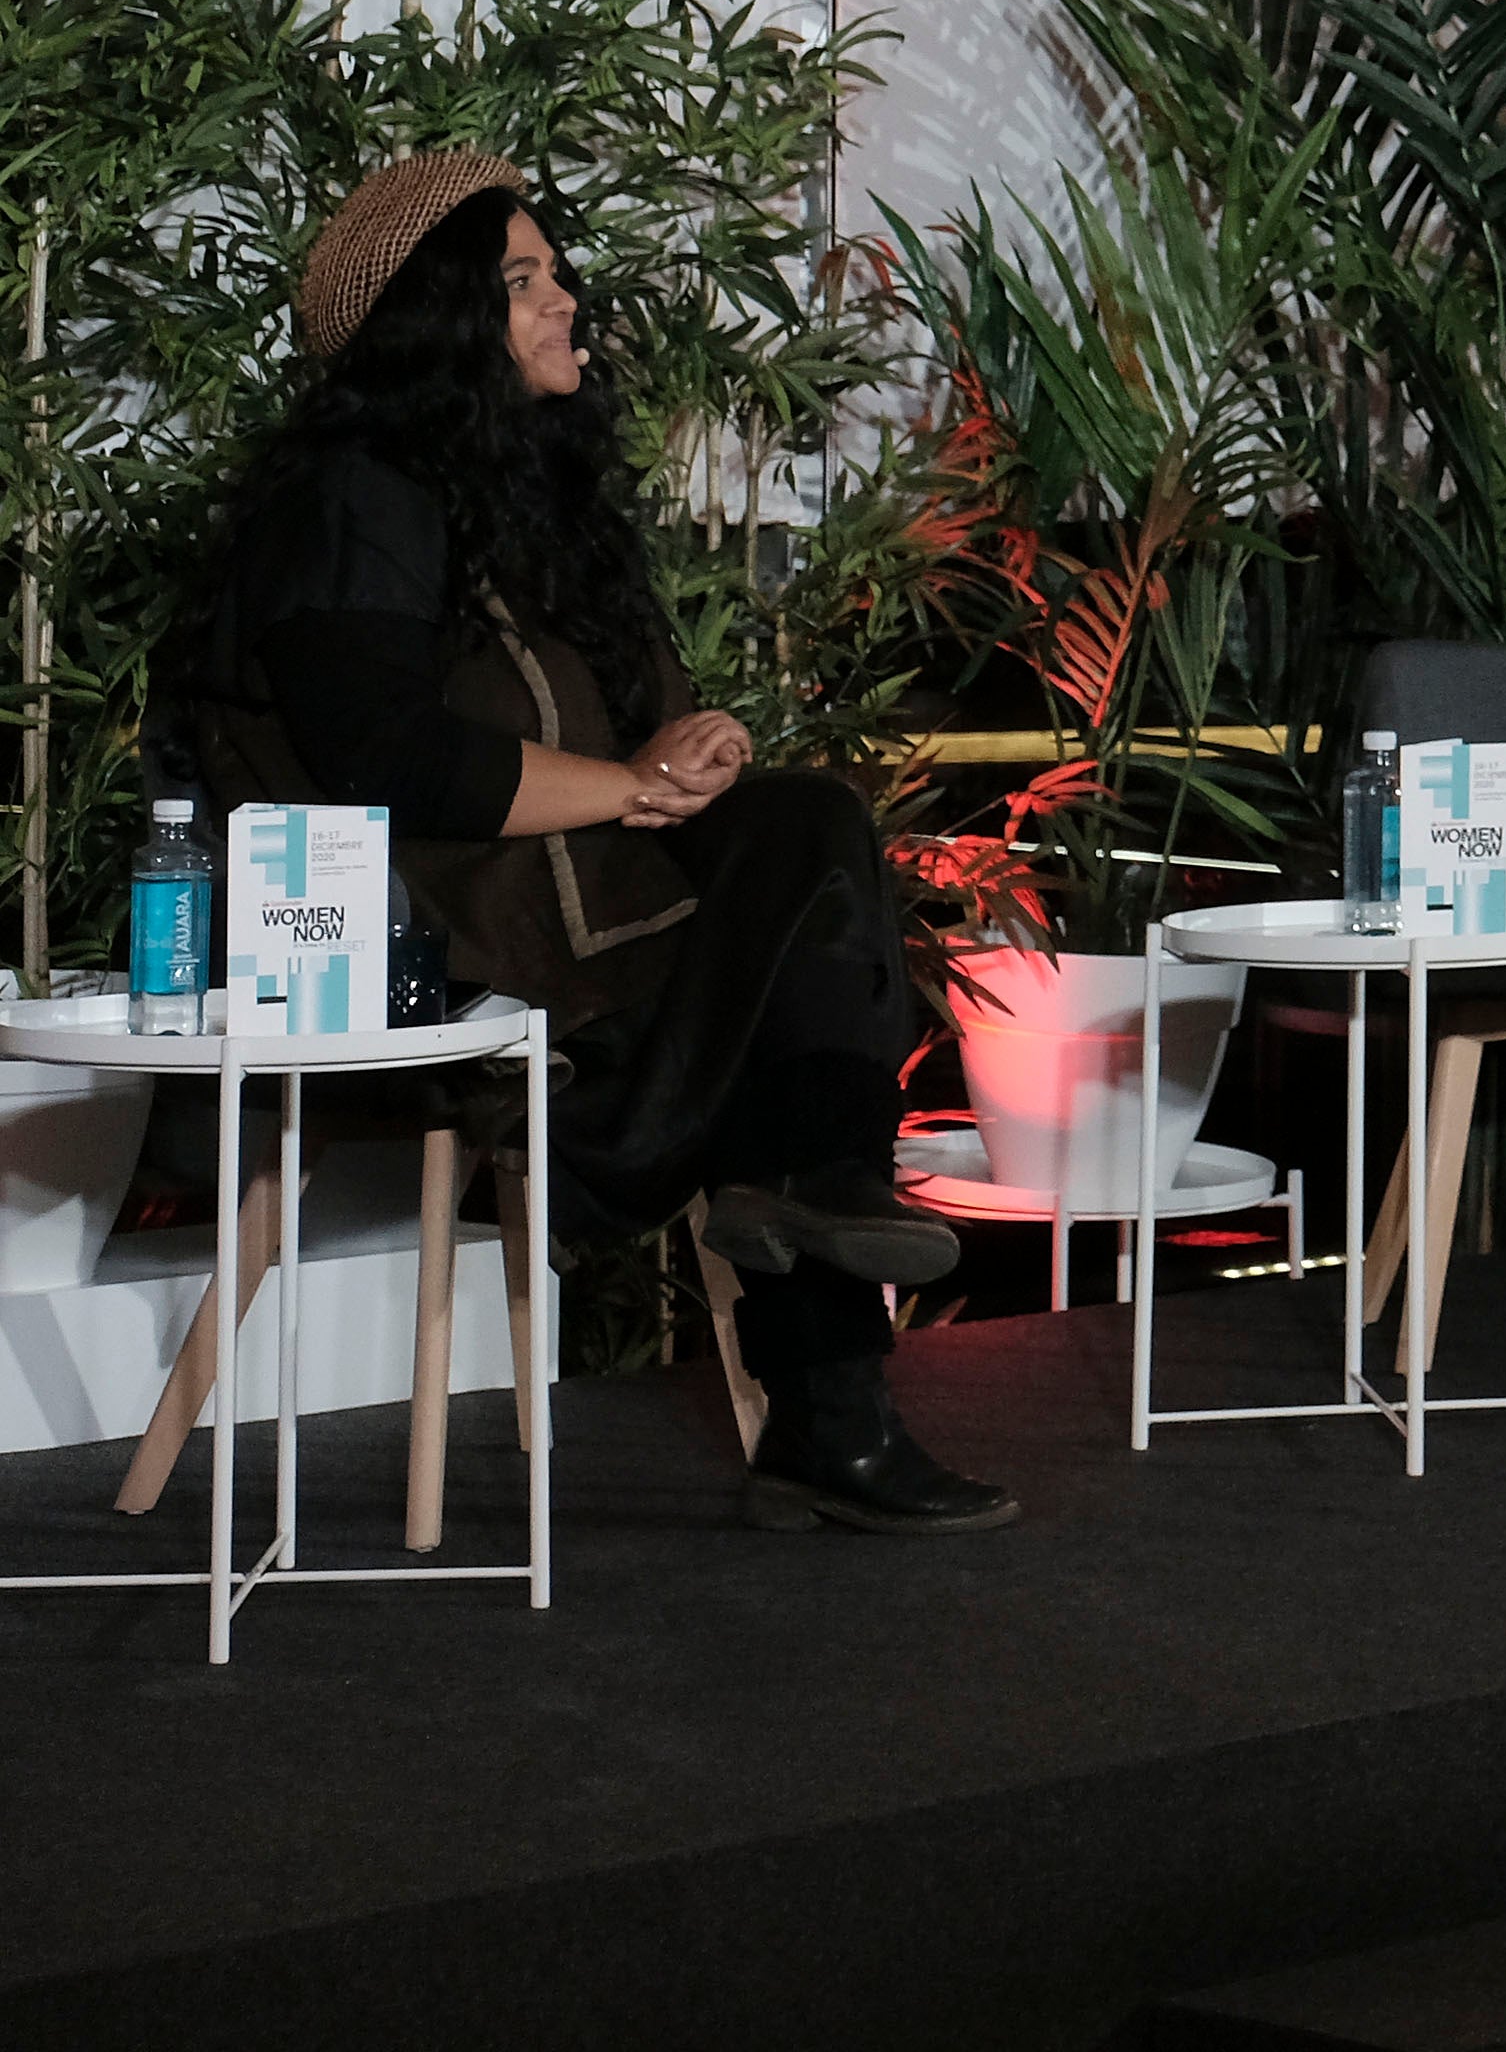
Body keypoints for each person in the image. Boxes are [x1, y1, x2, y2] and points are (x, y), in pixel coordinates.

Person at [164, 150, 1013, 1535]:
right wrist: (629, 792)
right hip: (435, 941)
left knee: (805, 830)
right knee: (793, 960)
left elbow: (647, 734)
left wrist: (706, 742)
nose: (571, 302)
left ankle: (810, 1203)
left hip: (603, 918)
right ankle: (828, 1378)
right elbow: (394, 758)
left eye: (558, 273)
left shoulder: (538, 510)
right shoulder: (354, 502)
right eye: (526, 281)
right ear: (439, 325)